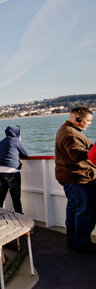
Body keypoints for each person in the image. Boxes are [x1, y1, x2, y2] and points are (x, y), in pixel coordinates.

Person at [55, 106, 96, 253]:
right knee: (86, 210)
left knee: (73, 208)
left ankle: (72, 238)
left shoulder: (65, 129)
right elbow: (77, 155)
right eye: (88, 120)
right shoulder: (71, 134)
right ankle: (81, 242)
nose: (90, 123)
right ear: (78, 119)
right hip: (78, 179)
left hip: (68, 177)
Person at [0, 125, 29, 214]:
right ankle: (19, 216)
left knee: (0, 196)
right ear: (17, 133)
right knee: (16, 197)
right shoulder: (16, 141)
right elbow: (26, 154)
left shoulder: (1, 142)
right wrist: (19, 141)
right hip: (12, 172)